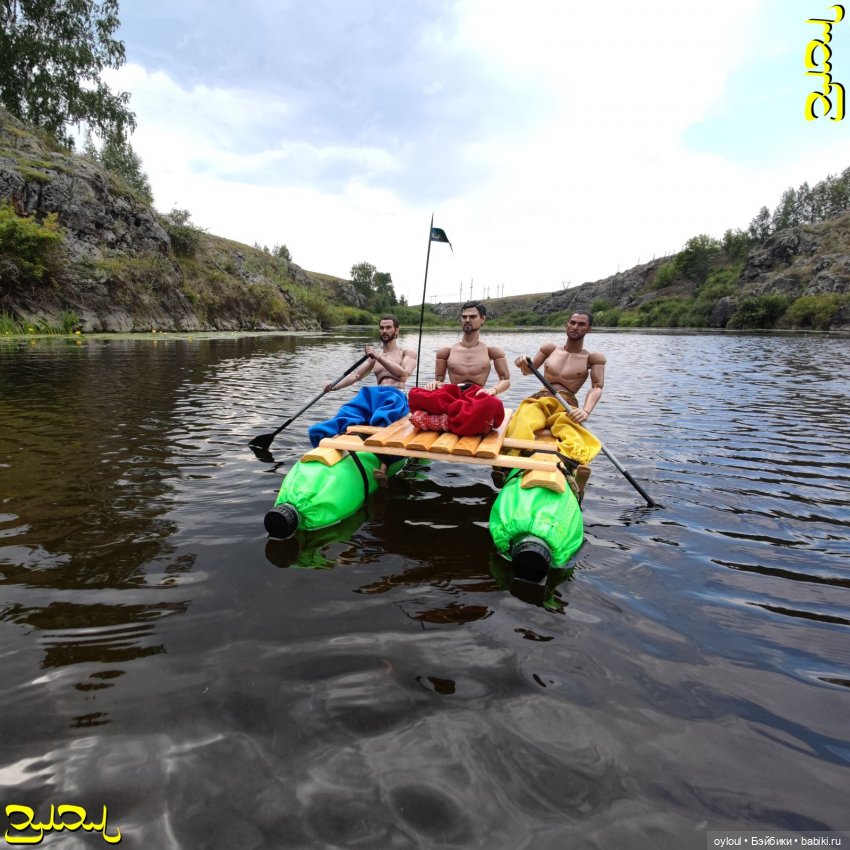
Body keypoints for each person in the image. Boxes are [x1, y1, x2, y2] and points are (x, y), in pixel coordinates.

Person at [496, 310, 606, 500]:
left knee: (575, 436)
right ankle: (506, 466)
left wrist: (586, 411)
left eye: (581, 324)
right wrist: (524, 362)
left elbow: (597, 387)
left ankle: (566, 468)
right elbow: (527, 371)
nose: (575, 327)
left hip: (567, 404)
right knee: (522, 420)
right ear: (566, 324)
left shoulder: (593, 358)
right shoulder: (550, 349)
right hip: (541, 399)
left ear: (589, 328)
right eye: (572, 323)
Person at [309, 315, 417, 485]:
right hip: (373, 395)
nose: (384, 331)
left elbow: (403, 373)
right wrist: (334, 386)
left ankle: (384, 465)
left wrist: (378, 358)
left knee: (380, 419)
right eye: (382, 328)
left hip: (395, 395)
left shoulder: (406, 352)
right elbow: (356, 375)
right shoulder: (375, 356)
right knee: (347, 412)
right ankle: (323, 442)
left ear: (397, 330)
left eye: (388, 327)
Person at [408, 301, 510, 436]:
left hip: (477, 396)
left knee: (492, 403)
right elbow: (439, 381)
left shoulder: (492, 351)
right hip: (452, 393)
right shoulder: (446, 352)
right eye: (464, 317)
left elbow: (505, 380)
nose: (467, 320)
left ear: (483, 319)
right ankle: (464, 421)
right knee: (415, 393)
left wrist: (493, 390)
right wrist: (434, 384)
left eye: (472, 317)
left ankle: (441, 421)